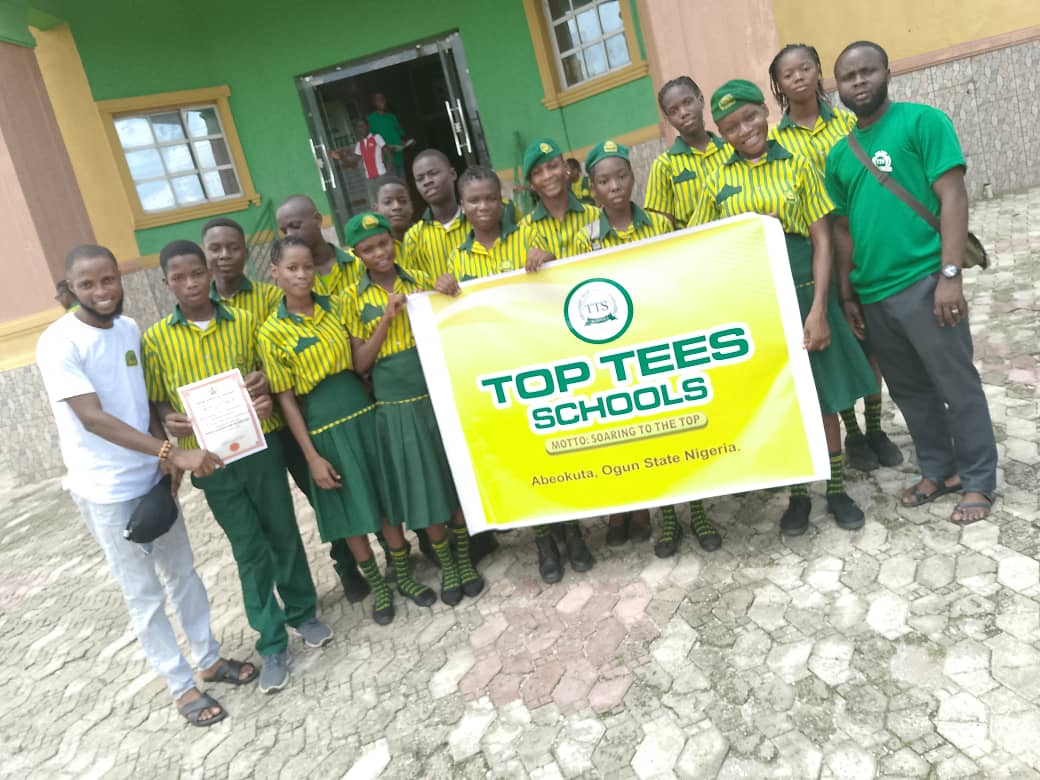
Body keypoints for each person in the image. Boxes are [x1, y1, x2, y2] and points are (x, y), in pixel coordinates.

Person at [36, 244, 249, 727]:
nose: (102, 292)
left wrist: (162, 456)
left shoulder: (129, 329)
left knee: (183, 574)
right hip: (107, 491)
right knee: (144, 593)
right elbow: (93, 418)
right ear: (70, 288)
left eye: (108, 280)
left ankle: (208, 658)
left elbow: (144, 399)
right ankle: (180, 685)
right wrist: (173, 453)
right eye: (87, 284)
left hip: (153, 478)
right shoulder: (59, 342)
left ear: (120, 278)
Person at [688, 80, 878, 536]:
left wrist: (819, 309)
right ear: (721, 132)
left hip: (805, 287)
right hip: (756, 302)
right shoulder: (714, 179)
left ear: (764, 112)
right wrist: (747, 231)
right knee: (786, 399)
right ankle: (798, 494)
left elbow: (822, 239)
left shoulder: (796, 164)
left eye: (750, 117)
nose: (745, 130)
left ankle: (836, 488)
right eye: (731, 126)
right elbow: (699, 246)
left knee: (824, 396)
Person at [143, 240, 333, 695]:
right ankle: (271, 642)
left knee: (283, 532)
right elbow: (158, 399)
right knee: (249, 548)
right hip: (210, 463)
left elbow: (267, 377)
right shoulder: (155, 341)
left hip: (259, 446)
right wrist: (170, 421)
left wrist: (262, 392)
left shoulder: (246, 322)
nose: (191, 283)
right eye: (179, 277)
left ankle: (303, 612)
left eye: (197, 273)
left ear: (209, 273)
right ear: (167, 283)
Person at [826, 40, 998, 525]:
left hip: (926, 281)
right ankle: (940, 471)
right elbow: (843, 231)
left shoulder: (923, 122)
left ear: (887, 73)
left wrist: (950, 275)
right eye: (848, 77)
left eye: (867, 71)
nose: (859, 81)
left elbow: (953, 196)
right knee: (910, 391)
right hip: (874, 294)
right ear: (837, 88)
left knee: (956, 383)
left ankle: (979, 480)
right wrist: (848, 294)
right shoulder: (839, 156)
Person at [257, 236, 434, 624]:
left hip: (363, 413)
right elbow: (286, 399)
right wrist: (311, 456)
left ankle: (404, 576)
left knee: (383, 498)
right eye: (291, 268)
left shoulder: (337, 307)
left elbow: (359, 359)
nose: (302, 275)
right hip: (323, 426)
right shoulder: (271, 331)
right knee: (349, 510)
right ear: (274, 272)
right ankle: (379, 587)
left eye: (307, 267)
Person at [203, 216, 371, 603]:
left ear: (247, 253)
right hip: (242, 434)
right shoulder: (201, 307)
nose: (225, 255)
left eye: (233, 247)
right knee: (274, 517)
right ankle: (298, 593)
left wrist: (264, 377)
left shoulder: (270, 296)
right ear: (206, 254)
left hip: (290, 418)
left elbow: (291, 346)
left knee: (325, 492)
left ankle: (349, 566)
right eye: (216, 249)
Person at [583, 139, 722, 555]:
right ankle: (668, 519)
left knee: (684, 429)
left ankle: (698, 511)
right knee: (649, 439)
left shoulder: (661, 224)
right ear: (592, 189)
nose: (614, 187)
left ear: (633, 177)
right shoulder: (586, 239)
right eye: (603, 181)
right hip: (623, 356)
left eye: (620, 176)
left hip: (664, 342)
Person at [768, 43, 902, 473]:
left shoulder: (848, 123)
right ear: (779, 85)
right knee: (836, 350)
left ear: (819, 71)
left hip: (858, 243)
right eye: (788, 74)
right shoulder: (774, 142)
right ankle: (853, 433)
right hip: (815, 259)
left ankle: (876, 427)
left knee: (870, 341)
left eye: (805, 68)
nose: (798, 78)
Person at [343, 212, 486, 605]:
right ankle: (448, 565)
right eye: (368, 249)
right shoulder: (351, 299)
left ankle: (465, 560)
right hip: (396, 407)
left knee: (453, 478)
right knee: (424, 488)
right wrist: (385, 321)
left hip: (437, 393)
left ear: (394, 242)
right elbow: (360, 363)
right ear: (357, 254)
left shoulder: (421, 279)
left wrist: (447, 289)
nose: (379, 253)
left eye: (383, 243)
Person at [521, 137, 598, 581]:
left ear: (567, 170)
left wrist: (561, 261)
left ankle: (582, 527)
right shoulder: (523, 231)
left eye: (553, 166)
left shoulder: (593, 215)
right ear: (531, 184)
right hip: (548, 346)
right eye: (538, 172)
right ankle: (550, 537)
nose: (548, 176)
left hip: (591, 339)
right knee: (550, 445)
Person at [644, 76, 730, 229]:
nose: (683, 112)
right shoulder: (664, 165)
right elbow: (662, 225)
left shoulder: (731, 149)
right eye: (673, 111)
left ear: (701, 100)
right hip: (695, 242)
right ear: (667, 119)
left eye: (688, 102)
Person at [435, 166, 526, 292]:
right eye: (474, 201)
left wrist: (547, 260)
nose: (483, 207)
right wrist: (445, 287)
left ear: (501, 201)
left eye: (491, 199)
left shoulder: (528, 237)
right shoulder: (457, 259)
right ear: (463, 207)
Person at [276, 194, 362, 296]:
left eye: (295, 226)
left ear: (317, 220)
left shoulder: (358, 262)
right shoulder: (291, 280)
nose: (289, 235)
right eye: (284, 231)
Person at [403, 149, 469, 280]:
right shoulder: (414, 237)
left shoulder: (476, 220)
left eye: (433, 173)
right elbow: (411, 283)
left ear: (452, 174)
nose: (427, 181)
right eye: (420, 179)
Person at [331, 118, 391, 204]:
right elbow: (353, 163)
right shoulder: (359, 144)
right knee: (374, 203)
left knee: (386, 199)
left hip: (381, 175)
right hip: (369, 178)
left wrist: (388, 170)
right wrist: (341, 158)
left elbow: (388, 152)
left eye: (363, 126)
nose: (361, 129)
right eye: (359, 127)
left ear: (368, 126)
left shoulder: (376, 137)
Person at [367, 93, 410, 179]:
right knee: (392, 184)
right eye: (379, 100)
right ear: (374, 103)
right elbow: (371, 141)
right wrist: (387, 147)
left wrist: (407, 143)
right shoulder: (371, 119)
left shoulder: (392, 117)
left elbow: (399, 136)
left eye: (383, 99)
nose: (382, 102)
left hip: (399, 157)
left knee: (402, 183)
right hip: (386, 160)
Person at [371, 175, 415, 257]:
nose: (396, 207)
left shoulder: (428, 237)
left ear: (411, 206)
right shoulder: (370, 249)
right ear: (376, 210)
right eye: (387, 202)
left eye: (403, 201)